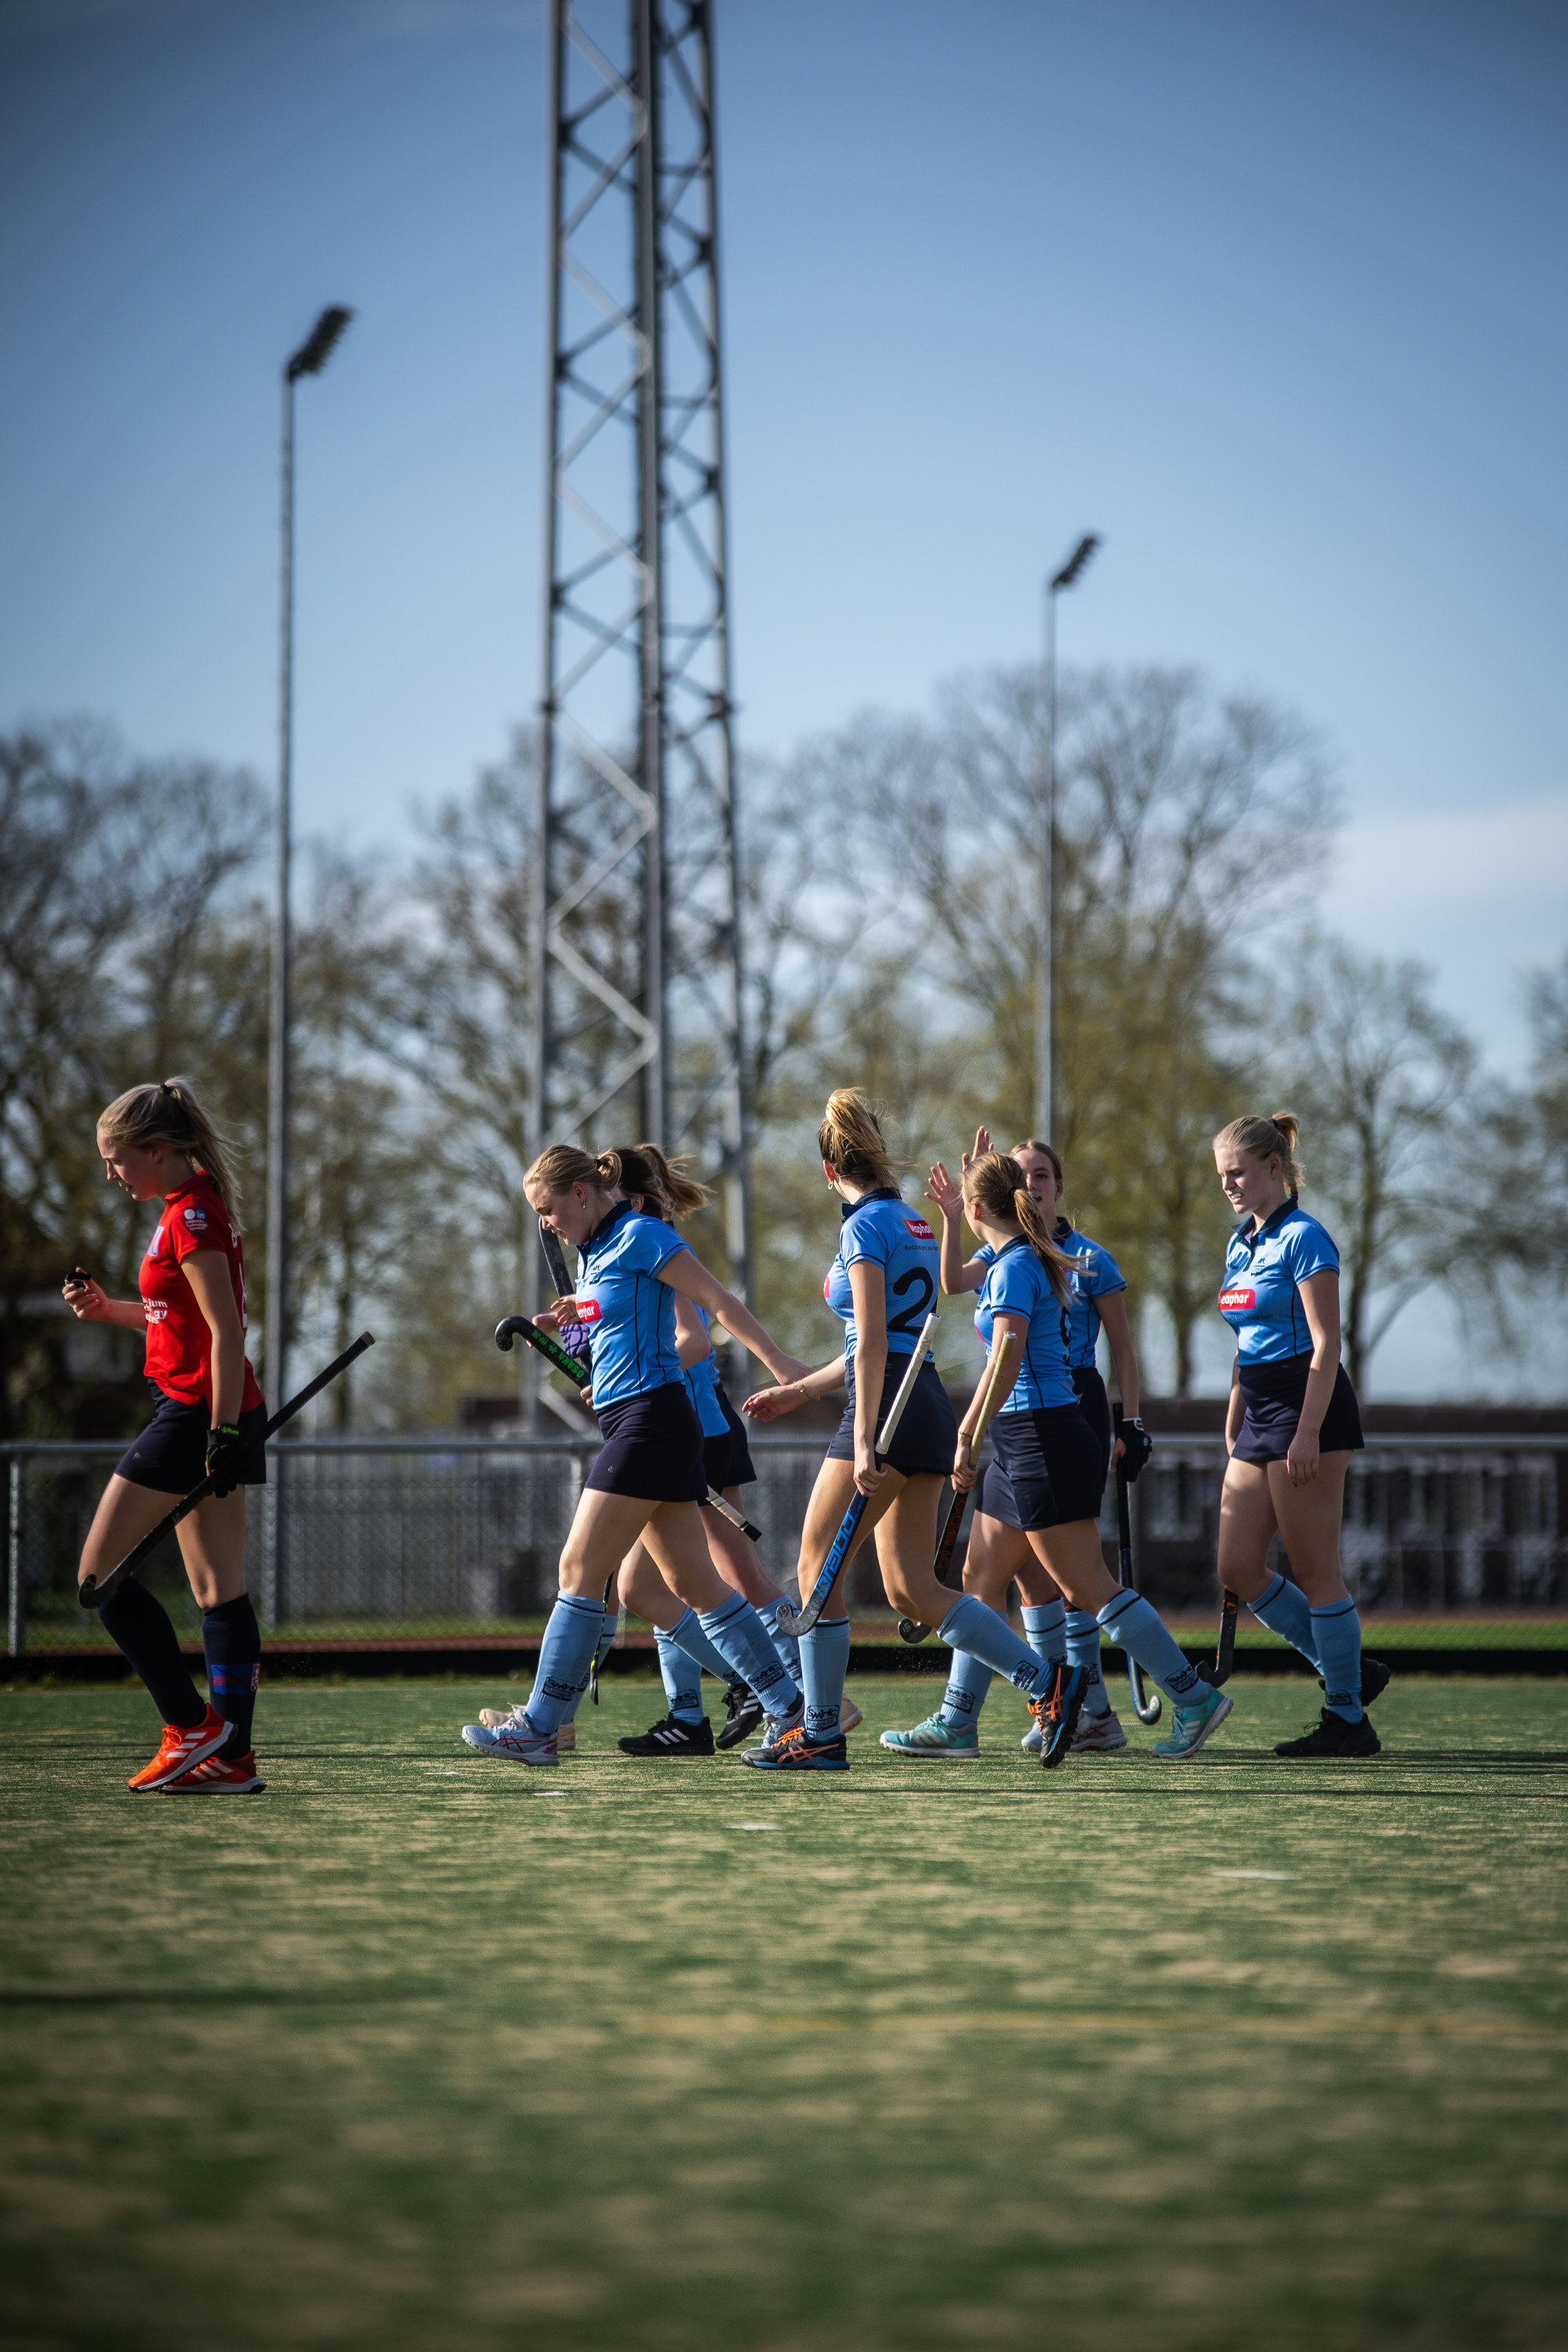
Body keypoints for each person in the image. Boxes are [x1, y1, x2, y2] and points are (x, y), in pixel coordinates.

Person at [742, 1092, 1103, 1771]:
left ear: (828, 1169)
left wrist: (861, 1439)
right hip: (927, 1401)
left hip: (885, 1407)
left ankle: (818, 1731)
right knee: (912, 1587)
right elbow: (883, 1341)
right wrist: (798, 1389)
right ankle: (1047, 1681)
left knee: (817, 1570)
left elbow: (874, 1341)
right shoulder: (908, 1221)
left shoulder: (860, 1230)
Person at [879, 1149, 1232, 1765]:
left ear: (984, 1205)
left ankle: (1193, 1697)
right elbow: (955, 1288)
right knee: (980, 1580)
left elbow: (1007, 1358)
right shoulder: (1009, 1258)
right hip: (1022, 1439)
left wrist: (966, 1432)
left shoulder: (1018, 1265)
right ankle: (960, 1722)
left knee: (1087, 1585)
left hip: (1044, 1435)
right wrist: (952, 1217)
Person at [461, 1145, 811, 1766]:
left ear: (581, 1193)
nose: (546, 1222)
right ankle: (792, 1712)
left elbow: (718, 1304)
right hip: (638, 1416)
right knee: (693, 1583)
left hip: (652, 1422)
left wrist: (783, 1368)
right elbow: (625, 1320)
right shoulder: (595, 1253)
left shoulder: (644, 1234)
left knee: (579, 1567)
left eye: (548, 1209)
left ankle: (541, 1726)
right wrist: (580, 1320)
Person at [64, 1079, 268, 1794]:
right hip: (212, 1408)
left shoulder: (194, 1216)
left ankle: (192, 1728)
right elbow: (173, 1319)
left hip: (195, 1413)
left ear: (157, 1150)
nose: (111, 1174)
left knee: (98, 1578)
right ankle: (232, 1758)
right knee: (217, 1589)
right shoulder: (186, 1206)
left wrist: (219, 1432)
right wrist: (111, 1310)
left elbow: (227, 1330)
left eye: (117, 1159)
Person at [1212, 1112, 1388, 1759]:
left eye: (1239, 1172)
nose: (1229, 1184)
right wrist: (1235, 1409)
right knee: (1236, 1566)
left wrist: (1308, 1430)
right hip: (1258, 1410)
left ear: (1274, 1168)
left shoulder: (1307, 1239)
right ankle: (1351, 1670)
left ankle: (1347, 1718)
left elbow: (1326, 1343)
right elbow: (1245, 1344)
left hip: (1306, 1409)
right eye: (1222, 1175)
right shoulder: (1240, 1243)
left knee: (1315, 1570)